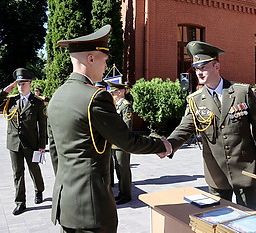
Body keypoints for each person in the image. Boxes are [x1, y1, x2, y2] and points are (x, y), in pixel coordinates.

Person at [47, 24, 172, 233]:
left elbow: (54, 150)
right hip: (92, 208)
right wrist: (161, 144)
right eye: (104, 60)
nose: (106, 67)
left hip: (65, 203)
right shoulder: (95, 97)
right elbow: (126, 141)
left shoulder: (56, 96)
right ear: (91, 58)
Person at [166, 41, 256, 210]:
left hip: (245, 169)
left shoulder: (241, 92)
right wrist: (168, 145)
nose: (199, 72)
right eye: (196, 68)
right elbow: (184, 128)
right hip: (216, 174)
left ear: (217, 66)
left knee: (249, 219)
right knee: (218, 218)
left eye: (203, 67)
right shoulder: (195, 99)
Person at [0, 68, 47, 215]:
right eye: (19, 83)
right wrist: (4, 91)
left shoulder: (37, 103)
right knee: (17, 173)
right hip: (14, 143)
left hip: (31, 143)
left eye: (24, 83)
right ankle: (20, 202)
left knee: (34, 169)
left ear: (30, 84)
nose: (21, 86)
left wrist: (42, 145)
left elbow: (42, 125)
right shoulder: (10, 100)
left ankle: (39, 190)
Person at [108, 81, 133, 205]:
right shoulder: (117, 105)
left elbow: (127, 127)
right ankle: (122, 192)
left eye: (113, 93)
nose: (112, 95)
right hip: (115, 143)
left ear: (119, 92)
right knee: (118, 168)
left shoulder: (125, 105)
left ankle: (126, 194)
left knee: (123, 169)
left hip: (122, 144)